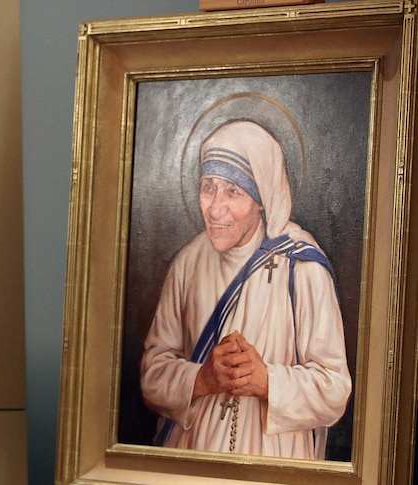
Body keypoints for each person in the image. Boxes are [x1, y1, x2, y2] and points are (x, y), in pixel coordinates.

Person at [139, 120, 352, 460]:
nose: (214, 207)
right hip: (194, 458)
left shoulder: (302, 265)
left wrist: (266, 380)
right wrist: (203, 379)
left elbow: (335, 389)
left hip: (274, 461)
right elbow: (152, 374)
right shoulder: (188, 263)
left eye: (233, 191)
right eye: (208, 187)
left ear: (261, 199)